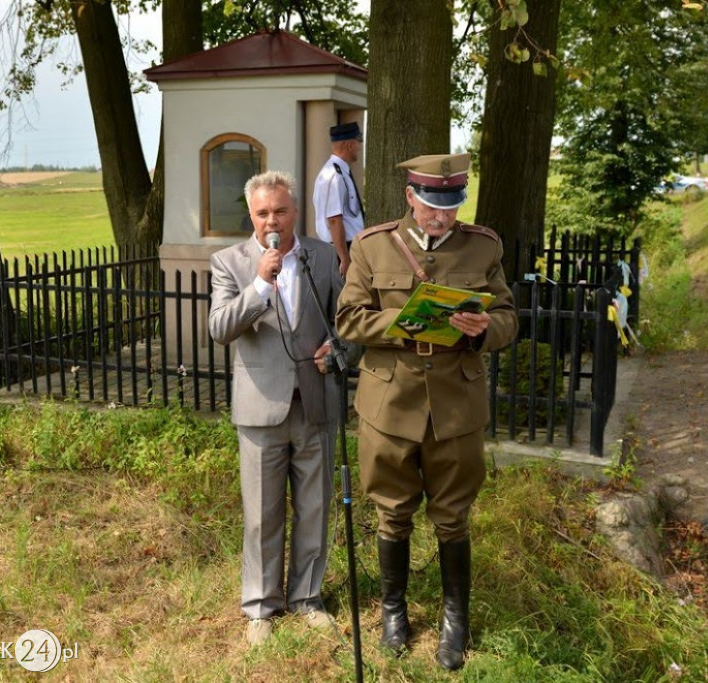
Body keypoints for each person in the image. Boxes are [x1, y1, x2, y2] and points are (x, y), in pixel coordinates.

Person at [335, 153, 519, 670]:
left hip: (456, 403)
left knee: (453, 515)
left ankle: (454, 619)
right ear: (412, 197)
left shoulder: (482, 246)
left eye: (452, 206)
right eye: (433, 206)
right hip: (390, 401)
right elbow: (349, 317)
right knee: (392, 511)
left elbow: (507, 316)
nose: (442, 217)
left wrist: (486, 331)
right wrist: (401, 323)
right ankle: (394, 611)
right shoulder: (372, 246)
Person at [208, 170, 344, 647]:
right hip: (260, 408)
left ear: (295, 212)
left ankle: (307, 597)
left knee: (314, 507)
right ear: (251, 215)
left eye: (281, 211)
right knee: (262, 515)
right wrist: (261, 286)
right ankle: (261, 606)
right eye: (264, 212)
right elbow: (220, 327)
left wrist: (339, 347)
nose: (273, 220)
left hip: (315, 402)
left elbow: (345, 322)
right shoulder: (230, 262)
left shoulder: (323, 257)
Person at [313, 121, 365, 278]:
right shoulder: (335, 176)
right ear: (349, 144)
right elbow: (334, 219)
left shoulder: (338, 172)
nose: (359, 148)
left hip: (343, 247)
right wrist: (344, 258)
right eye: (358, 143)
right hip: (341, 249)